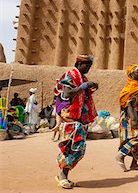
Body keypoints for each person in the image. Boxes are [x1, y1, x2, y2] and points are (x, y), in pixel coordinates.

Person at [54, 55, 98, 189]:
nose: (88, 68)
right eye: (86, 65)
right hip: (69, 118)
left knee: (76, 148)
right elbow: (67, 93)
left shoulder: (82, 78)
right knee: (73, 147)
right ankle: (62, 175)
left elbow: (81, 97)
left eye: (90, 66)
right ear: (79, 64)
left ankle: (63, 174)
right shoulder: (70, 75)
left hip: (78, 120)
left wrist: (89, 88)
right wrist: (84, 86)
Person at [116, 64, 138, 172]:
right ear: (131, 74)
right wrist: (134, 120)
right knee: (137, 138)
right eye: (137, 72)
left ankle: (134, 163)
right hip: (131, 118)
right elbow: (128, 105)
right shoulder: (130, 88)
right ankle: (121, 155)